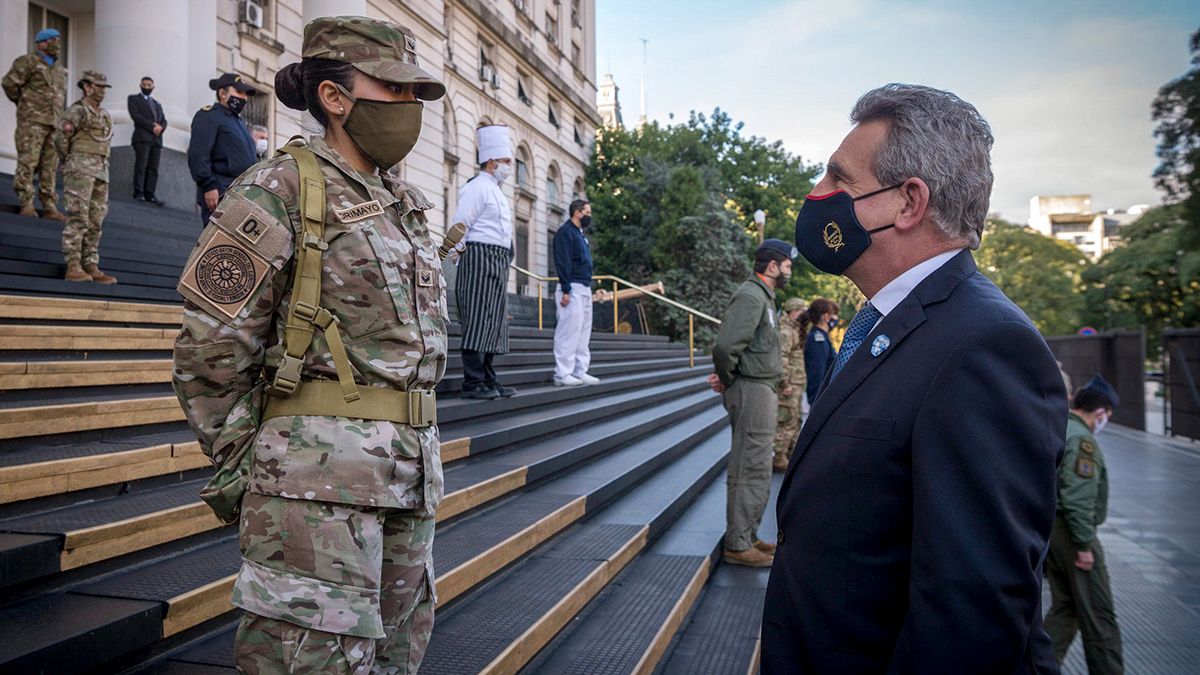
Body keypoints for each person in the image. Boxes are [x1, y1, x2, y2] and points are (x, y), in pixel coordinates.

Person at [171, 15, 448, 672]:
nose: (408, 105)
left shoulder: (402, 202)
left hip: (409, 482)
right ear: (334, 96)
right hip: (311, 494)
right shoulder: (277, 188)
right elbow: (208, 350)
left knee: (395, 659)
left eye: (414, 93)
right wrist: (260, 462)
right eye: (394, 89)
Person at [762, 84, 1065, 673]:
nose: (816, 194)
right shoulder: (893, 323)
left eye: (838, 178)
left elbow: (969, 618)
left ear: (908, 202)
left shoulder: (985, 345)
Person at [707, 238, 794, 567]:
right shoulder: (751, 295)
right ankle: (738, 543)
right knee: (750, 466)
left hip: (761, 389)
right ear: (772, 266)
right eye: (787, 266)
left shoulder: (764, 297)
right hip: (752, 389)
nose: (789, 272)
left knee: (757, 465)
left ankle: (748, 535)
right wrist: (729, 378)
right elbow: (726, 347)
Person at [1045, 375, 1124, 674]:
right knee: (1099, 617)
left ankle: (1035, 666)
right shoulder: (1082, 440)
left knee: (1066, 610)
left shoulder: (1062, 427)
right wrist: (1084, 545)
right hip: (1072, 536)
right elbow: (1077, 500)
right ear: (1100, 411)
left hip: (1055, 532)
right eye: (1107, 414)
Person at [451, 124, 517, 400]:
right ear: (491, 162)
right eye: (506, 162)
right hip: (478, 257)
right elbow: (461, 222)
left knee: (495, 321)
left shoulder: (497, 191)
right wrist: (455, 251)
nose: (509, 167)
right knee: (478, 318)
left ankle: (489, 379)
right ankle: (473, 381)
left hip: (497, 260)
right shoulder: (476, 187)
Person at [55, 70, 117, 284]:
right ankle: (73, 265)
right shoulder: (76, 111)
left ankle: (90, 263)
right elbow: (61, 140)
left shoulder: (104, 115)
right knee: (78, 217)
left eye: (104, 87)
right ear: (87, 87)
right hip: (80, 170)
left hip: (101, 171)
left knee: (95, 220)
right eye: (98, 87)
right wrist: (72, 160)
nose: (102, 91)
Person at [2, 28, 68, 221]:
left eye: (58, 40)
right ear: (41, 43)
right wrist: (24, 103)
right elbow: (9, 84)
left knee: (49, 167)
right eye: (53, 40)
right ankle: (26, 203)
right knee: (28, 161)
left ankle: (49, 206)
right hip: (32, 122)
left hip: (53, 123)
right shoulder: (27, 61)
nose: (57, 44)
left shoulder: (59, 69)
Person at [187, 72, 258, 226]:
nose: (244, 98)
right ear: (222, 93)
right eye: (239, 92)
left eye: (245, 94)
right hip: (220, 189)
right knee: (219, 238)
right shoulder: (209, 116)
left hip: (241, 191)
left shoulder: (238, 121)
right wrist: (208, 185)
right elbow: (198, 153)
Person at [552, 199, 598, 386]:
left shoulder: (580, 234)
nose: (589, 216)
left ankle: (580, 370)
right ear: (577, 213)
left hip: (584, 287)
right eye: (587, 212)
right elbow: (562, 261)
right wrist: (566, 289)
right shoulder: (565, 232)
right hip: (572, 287)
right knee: (568, 331)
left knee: (583, 332)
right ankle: (562, 373)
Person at [773, 296, 808, 472]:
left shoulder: (794, 329)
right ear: (794, 311)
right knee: (786, 420)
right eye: (802, 311)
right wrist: (784, 383)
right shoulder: (786, 331)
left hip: (796, 383)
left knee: (795, 419)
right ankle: (779, 457)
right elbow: (781, 358)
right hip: (788, 385)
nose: (804, 315)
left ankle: (788, 454)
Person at [127, 76, 167, 205]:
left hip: (156, 140)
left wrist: (161, 128)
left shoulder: (157, 104)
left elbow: (164, 120)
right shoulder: (133, 99)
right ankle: (139, 192)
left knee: (153, 168)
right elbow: (136, 116)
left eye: (149, 85)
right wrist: (152, 126)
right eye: (144, 85)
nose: (146, 87)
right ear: (140, 85)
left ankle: (150, 194)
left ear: (153, 87)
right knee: (141, 165)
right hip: (142, 138)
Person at [802, 298, 838, 404]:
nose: (835, 318)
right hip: (820, 398)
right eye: (833, 314)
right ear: (826, 316)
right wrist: (816, 401)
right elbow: (817, 372)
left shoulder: (822, 337)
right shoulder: (818, 340)